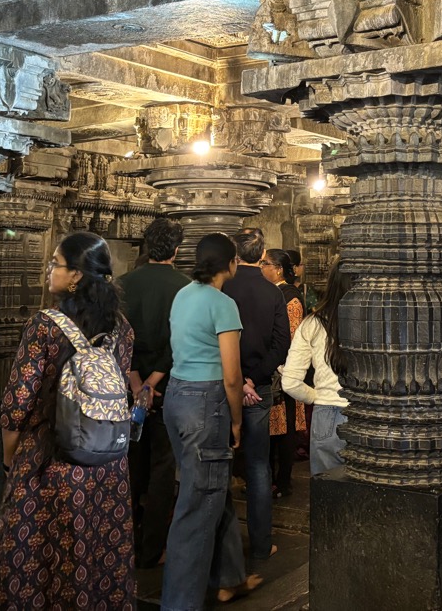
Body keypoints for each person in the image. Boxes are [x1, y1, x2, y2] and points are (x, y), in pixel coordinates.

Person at [0, 232, 136, 609]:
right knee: (99, 552)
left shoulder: (46, 325)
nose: (48, 270)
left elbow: (18, 404)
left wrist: (12, 460)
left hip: (52, 460)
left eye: (55, 263)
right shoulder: (121, 328)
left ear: (75, 276)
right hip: (107, 462)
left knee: (39, 559)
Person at [161, 233, 261, 610]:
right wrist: (236, 421)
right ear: (231, 263)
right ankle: (179, 602)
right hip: (207, 403)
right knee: (198, 503)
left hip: (177, 396)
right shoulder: (223, 304)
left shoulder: (183, 295)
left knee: (211, 489)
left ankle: (229, 578)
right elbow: (232, 375)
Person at [120, 216, 190, 568]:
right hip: (167, 388)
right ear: (177, 249)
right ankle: (152, 549)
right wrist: (152, 383)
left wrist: (135, 384)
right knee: (164, 467)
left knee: (130, 464)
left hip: (126, 390)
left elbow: (120, 338)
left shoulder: (123, 283)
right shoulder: (185, 287)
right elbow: (179, 342)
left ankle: (122, 542)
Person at [221, 227, 289, 562]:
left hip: (225, 386)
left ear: (235, 253)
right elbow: (281, 344)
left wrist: (238, 380)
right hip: (258, 388)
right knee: (259, 465)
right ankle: (262, 545)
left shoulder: (222, 287)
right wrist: (256, 377)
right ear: (261, 255)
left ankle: (224, 549)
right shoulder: (272, 293)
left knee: (221, 464)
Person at [282, 258, 350, 475]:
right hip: (373, 416)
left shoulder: (312, 323)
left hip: (326, 416)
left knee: (328, 497)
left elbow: (290, 382)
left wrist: (317, 397)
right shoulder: (379, 322)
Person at [263, 248, 307, 498]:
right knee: (273, 430)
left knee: (285, 429)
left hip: (285, 370)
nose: (261, 268)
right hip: (274, 366)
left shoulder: (290, 297)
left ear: (278, 269)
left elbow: (291, 336)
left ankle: (283, 480)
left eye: (265, 264)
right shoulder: (274, 293)